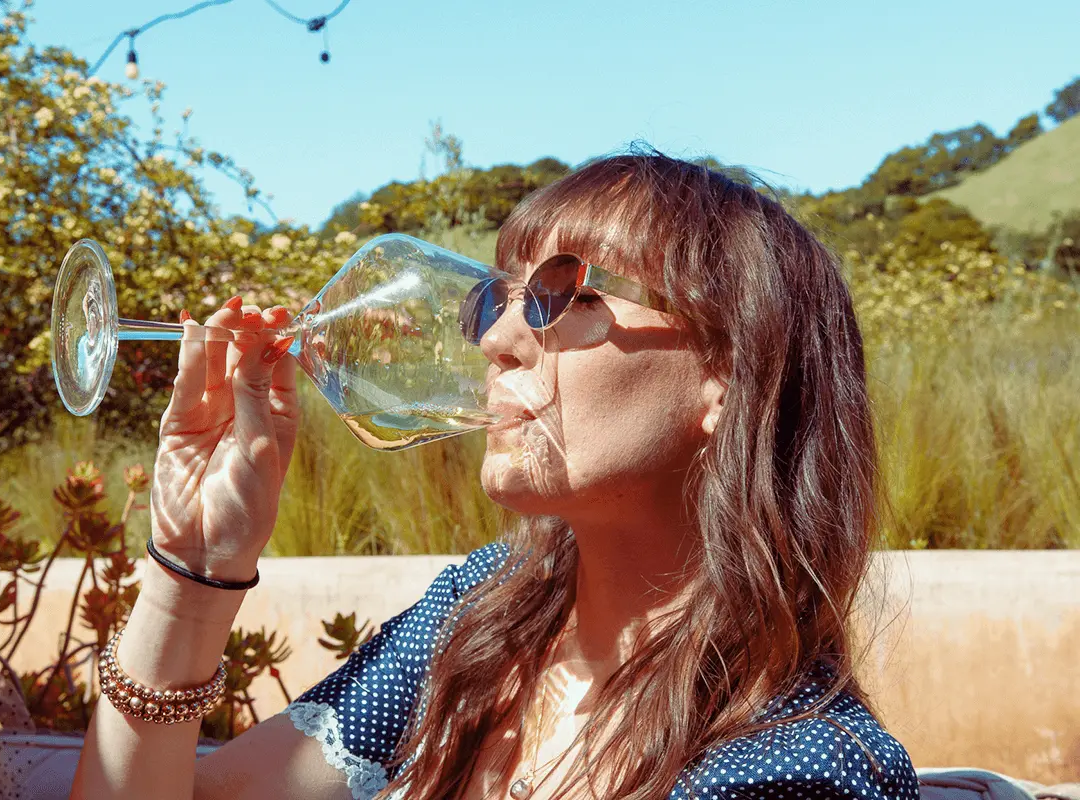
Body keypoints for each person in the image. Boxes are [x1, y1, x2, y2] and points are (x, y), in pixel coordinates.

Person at [70, 148, 919, 800]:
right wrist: (195, 569)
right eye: (496, 301)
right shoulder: (484, 621)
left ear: (730, 377)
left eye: (568, 295)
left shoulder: (793, 771)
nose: (495, 341)